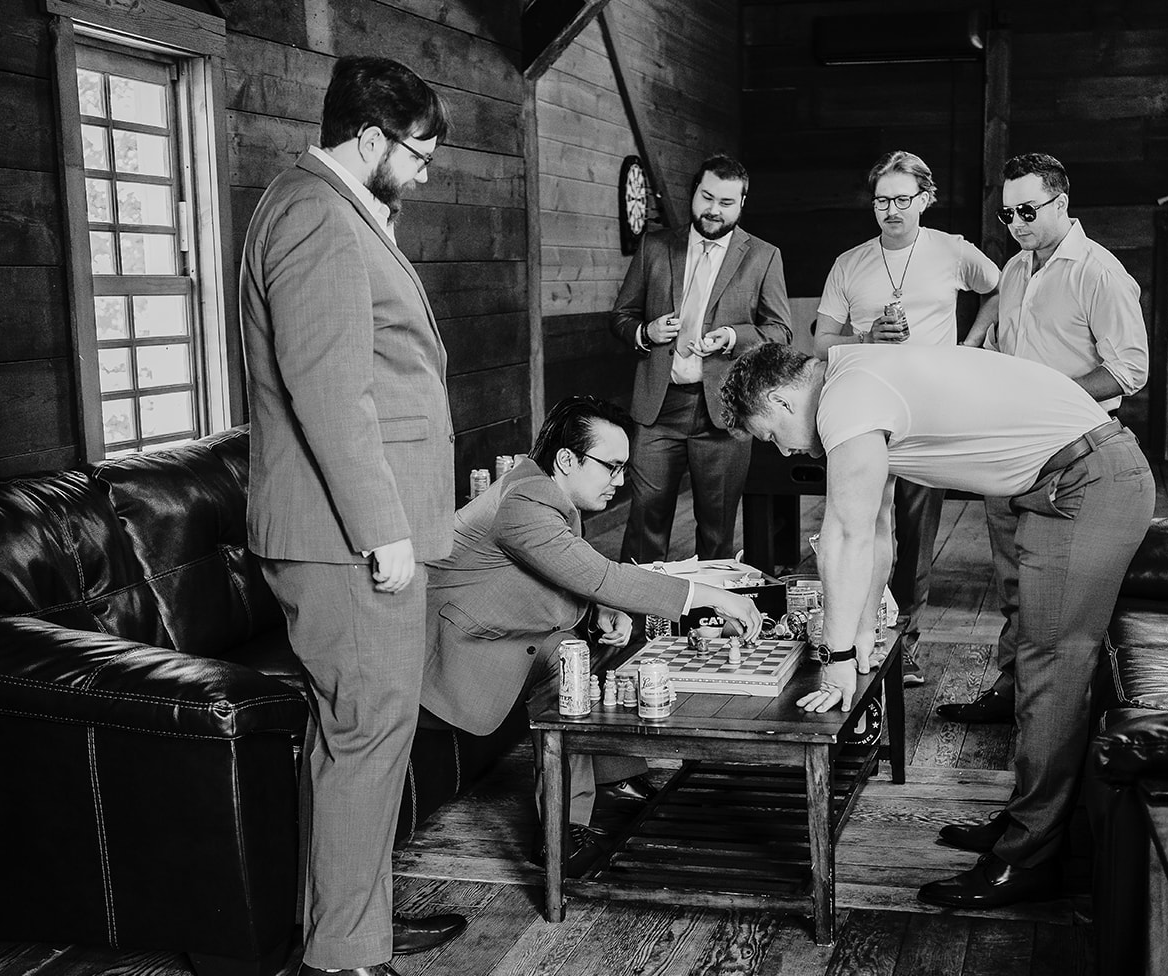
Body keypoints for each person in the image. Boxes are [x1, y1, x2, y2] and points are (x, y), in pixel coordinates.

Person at [718, 341, 1154, 908]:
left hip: (1088, 480)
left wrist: (840, 661)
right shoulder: (855, 379)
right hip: (1068, 479)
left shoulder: (846, 399)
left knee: (1052, 667)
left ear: (779, 398)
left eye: (770, 433)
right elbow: (875, 531)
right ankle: (1030, 824)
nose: (780, 448)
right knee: (1038, 662)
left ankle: (1030, 859)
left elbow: (846, 539)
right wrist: (864, 639)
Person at [241, 56, 465, 976]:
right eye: (417, 154)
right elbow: (330, 395)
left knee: (366, 731)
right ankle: (342, 962)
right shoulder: (313, 217)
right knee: (365, 729)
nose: (424, 171)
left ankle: (354, 918)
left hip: (355, 527)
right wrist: (384, 532)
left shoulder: (337, 210)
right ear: (367, 139)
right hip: (342, 535)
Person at [420, 396, 764, 870]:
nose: (621, 482)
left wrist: (601, 605)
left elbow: (571, 568)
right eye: (612, 467)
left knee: (584, 650)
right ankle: (562, 836)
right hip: (457, 652)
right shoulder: (524, 502)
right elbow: (600, 574)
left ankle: (614, 778)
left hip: (493, 627)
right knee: (570, 664)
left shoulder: (544, 491)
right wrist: (713, 595)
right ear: (567, 460)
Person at [937, 152, 1149, 754]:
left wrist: (1049, 397)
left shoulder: (1099, 272)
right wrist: (975, 349)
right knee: (1008, 578)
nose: (1017, 223)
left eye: (1028, 210)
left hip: (1072, 451)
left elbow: (1131, 369)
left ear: (1061, 201)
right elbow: (1006, 335)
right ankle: (1009, 690)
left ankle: (1042, 707)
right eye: (1008, 214)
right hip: (1009, 446)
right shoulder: (1014, 269)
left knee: (1045, 589)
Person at [813, 151, 1000, 688]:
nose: (891, 210)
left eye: (902, 199)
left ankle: (908, 641)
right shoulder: (849, 263)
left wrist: (969, 345)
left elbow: (998, 288)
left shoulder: (952, 250)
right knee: (863, 523)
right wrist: (866, 338)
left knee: (916, 531)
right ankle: (857, 630)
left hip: (927, 409)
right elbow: (821, 340)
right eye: (881, 201)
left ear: (925, 199)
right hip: (866, 408)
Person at [609, 154, 793, 564]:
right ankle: (638, 626)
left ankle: (704, 623)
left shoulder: (763, 256)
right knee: (645, 523)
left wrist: (732, 337)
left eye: (726, 202)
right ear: (694, 192)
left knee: (717, 529)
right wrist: (645, 332)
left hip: (725, 412)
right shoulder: (655, 246)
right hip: (658, 407)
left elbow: (780, 332)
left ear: (742, 204)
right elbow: (621, 316)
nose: (713, 210)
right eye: (707, 197)